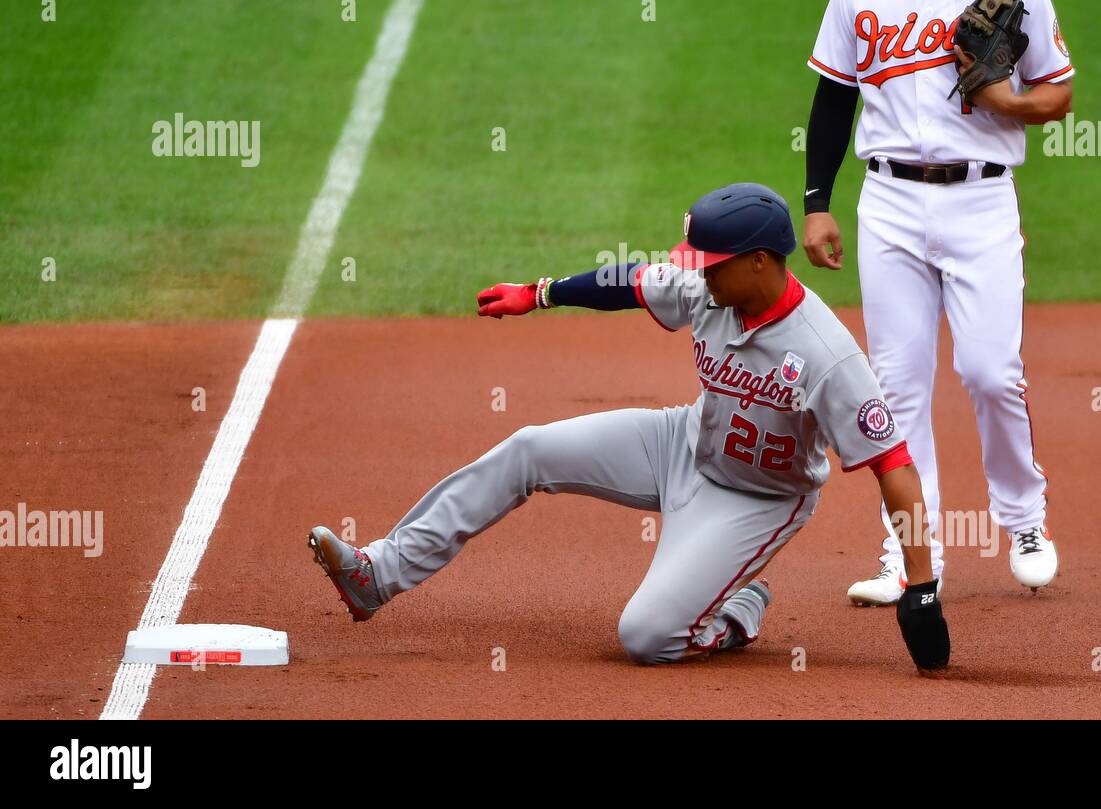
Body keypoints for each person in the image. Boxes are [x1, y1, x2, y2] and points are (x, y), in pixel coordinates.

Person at [309, 182, 949, 669]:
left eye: (710, 261)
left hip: (760, 500)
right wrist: (539, 294)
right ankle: (378, 574)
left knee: (645, 638)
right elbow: (631, 282)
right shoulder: (709, 289)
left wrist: (920, 585)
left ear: (759, 261)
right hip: (682, 443)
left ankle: (739, 611)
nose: (695, 272)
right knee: (529, 448)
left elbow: (893, 465)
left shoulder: (827, 355)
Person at [801, 0, 1072, 605]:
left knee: (991, 372)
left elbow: (1059, 93)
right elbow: (833, 98)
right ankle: (910, 556)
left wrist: (1006, 103)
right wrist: (817, 202)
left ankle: (1023, 518)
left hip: (980, 200)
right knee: (897, 387)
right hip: (886, 202)